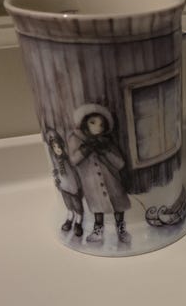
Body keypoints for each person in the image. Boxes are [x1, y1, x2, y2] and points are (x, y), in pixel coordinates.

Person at [68, 104, 131, 243]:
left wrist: (105, 151)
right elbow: (73, 160)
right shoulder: (76, 139)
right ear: (85, 124)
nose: (98, 127)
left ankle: (121, 228)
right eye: (93, 122)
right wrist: (86, 149)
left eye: (101, 124)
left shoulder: (107, 142)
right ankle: (98, 230)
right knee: (97, 206)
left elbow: (120, 163)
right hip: (91, 182)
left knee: (118, 204)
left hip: (112, 181)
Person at [46, 129, 84, 237]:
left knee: (77, 205)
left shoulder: (67, 160)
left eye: (59, 146)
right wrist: (57, 181)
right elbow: (56, 173)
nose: (57, 149)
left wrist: (78, 187)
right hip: (63, 187)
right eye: (54, 147)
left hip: (74, 187)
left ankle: (78, 222)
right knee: (68, 204)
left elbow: (75, 174)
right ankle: (69, 218)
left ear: (62, 146)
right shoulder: (56, 161)